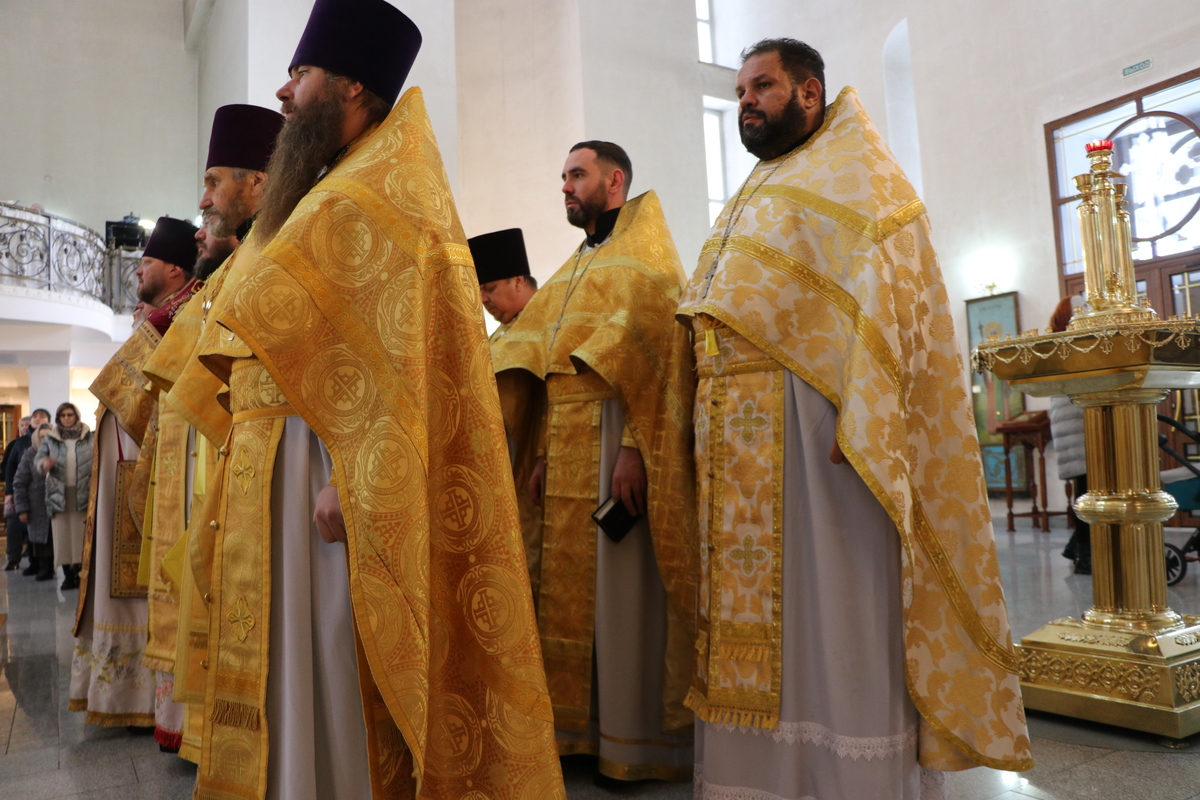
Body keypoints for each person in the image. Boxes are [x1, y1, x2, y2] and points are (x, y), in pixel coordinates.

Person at [187, 1, 564, 796]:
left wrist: (345, 480)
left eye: (300, 74)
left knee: (329, 655)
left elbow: (409, 358)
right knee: (286, 655)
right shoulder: (332, 184)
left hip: (333, 474)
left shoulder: (386, 190)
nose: (284, 93)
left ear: (351, 86)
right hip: (277, 465)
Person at [677, 39, 1032, 799]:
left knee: (835, 608)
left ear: (809, 93)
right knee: (775, 620)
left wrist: (869, 414)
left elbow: (896, 311)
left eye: (762, 86)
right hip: (742, 445)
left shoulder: (862, 179)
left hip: (824, 441)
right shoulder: (758, 189)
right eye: (739, 91)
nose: (746, 101)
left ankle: (847, 779)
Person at [490, 141, 697, 781]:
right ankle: (578, 733)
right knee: (572, 595)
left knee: (620, 590)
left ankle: (631, 742)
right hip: (567, 441)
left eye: (576, 175)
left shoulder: (646, 259)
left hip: (615, 434)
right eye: (562, 176)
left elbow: (662, 359)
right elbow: (546, 359)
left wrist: (634, 447)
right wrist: (542, 451)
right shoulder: (580, 263)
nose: (565, 186)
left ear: (614, 181)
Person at [135, 103, 283, 756]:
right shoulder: (235, 265)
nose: (203, 202)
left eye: (214, 182)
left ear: (258, 182)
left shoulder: (271, 254)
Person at [70, 216, 200, 728]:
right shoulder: (162, 318)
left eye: (146, 262)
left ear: (174, 270)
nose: (137, 271)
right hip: (122, 481)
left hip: (149, 480)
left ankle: (143, 699)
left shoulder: (183, 315)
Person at [1049, 295, 1090, 574]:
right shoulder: (1068, 348)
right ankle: (1084, 556)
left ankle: (1077, 549)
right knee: (1087, 495)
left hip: (1077, 428)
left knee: (1088, 492)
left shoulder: (1071, 346)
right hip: (1077, 429)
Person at [35, 403, 93, 590]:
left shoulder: (89, 437)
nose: (66, 418)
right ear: (58, 418)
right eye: (63, 415)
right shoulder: (51, 438)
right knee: (62, 538)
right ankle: (68, 576)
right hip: (58, 494)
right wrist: (44, 463)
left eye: (70, 415)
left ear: (76, 416)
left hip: (82, 493)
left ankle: (81, 575)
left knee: (80, 537)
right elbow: (38, 460)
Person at [472, 227, 539, 340]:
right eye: (479, 293)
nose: (483, 300)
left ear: (518, 281)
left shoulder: (556, 318)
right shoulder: (492, 339)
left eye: (489, 289)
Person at [4, 411, 47, 572]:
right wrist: (9, 492)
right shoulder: (18, 443)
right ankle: (13, 559)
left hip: (42, 493)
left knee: (39, 528)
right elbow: (9, 468)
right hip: (20, 490)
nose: (25, 427)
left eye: (27, 424)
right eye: (22, 425)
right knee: (14, 525)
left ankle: (39, 562)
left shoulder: (52, 440)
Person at [14, 423, 53, 579]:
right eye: (42, 436)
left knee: (55, 537)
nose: (45, 440)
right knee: (39, 538)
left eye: (49, 436)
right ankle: (42, 567)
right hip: (36, 504)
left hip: (57, 503)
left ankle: (59, 570)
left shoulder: (60, 452)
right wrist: (22, 509)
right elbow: (19, 483)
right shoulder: (30, 454)